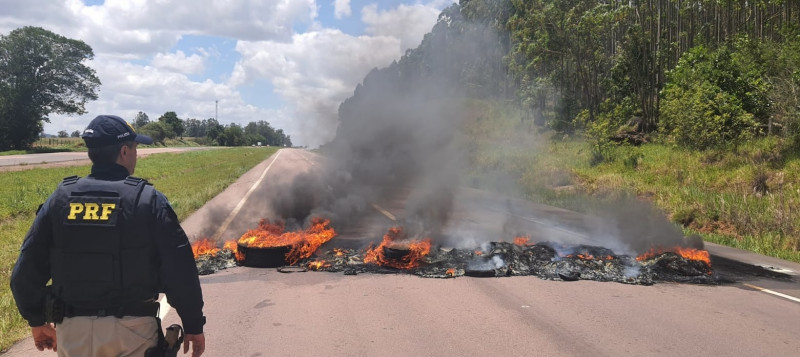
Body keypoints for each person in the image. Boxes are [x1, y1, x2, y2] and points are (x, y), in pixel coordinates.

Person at [10, 115, 206, 357]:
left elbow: (25, 271)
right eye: (135, 149)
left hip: (72, 333)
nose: (136, 155)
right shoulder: (148, 200)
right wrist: (194, 325)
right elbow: (180, 271)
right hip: (131, 332)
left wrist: (36, 320)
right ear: (124, 151)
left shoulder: (59, 199)